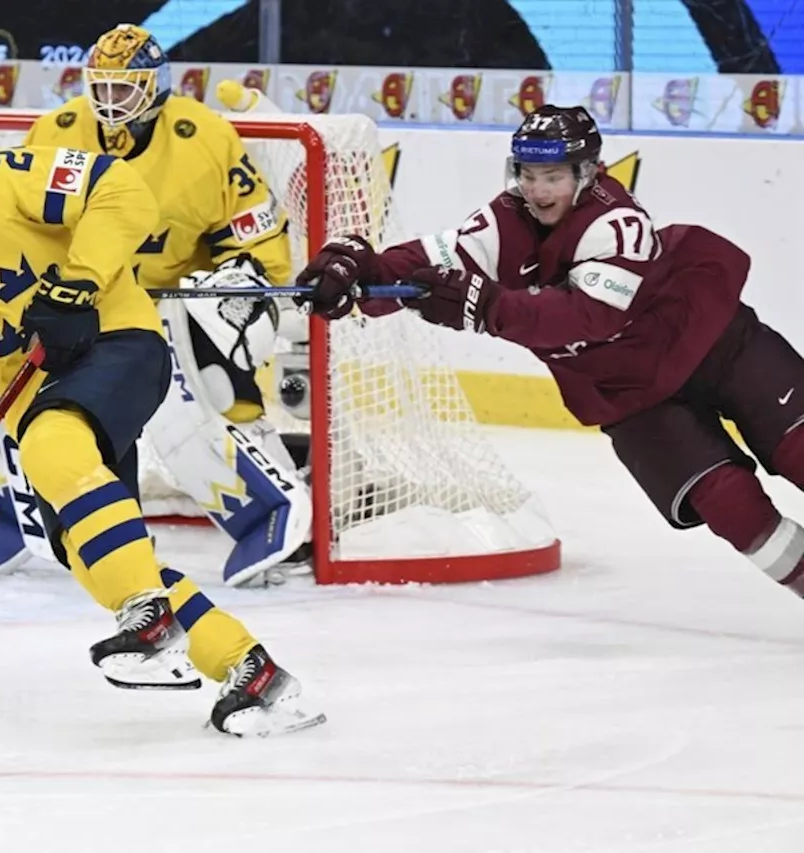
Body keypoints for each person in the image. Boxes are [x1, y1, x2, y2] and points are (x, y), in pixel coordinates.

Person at [0, 103, 324, 736]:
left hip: (115, 341)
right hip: (35, 393)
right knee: (96, 557)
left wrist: (79, 281)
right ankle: (251, 673)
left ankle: (152, 621)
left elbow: (119, 188)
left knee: (52, 444)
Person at [297, 103, 804, 595]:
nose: (537, 190)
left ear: (586, 174)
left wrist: (487, 307)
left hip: (718, 346)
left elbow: (586, 315)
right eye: (528, 173)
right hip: (632, 397)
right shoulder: (506, 217)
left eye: (553, 176)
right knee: (733, 509)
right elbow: (438, 257)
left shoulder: (616, 220)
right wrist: (363, 273)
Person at [3, 23, 310, 588]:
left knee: (218, 380)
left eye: (125, 89)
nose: (109, 102)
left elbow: (252, 229)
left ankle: (282, 504)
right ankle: (33, 511)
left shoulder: (204, 137)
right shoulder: (58, 131)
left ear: (156, 87)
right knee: (31, 392)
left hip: (180, 304)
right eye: (101, 87)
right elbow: (20, 222)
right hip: (85, 301)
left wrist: (246, 286)